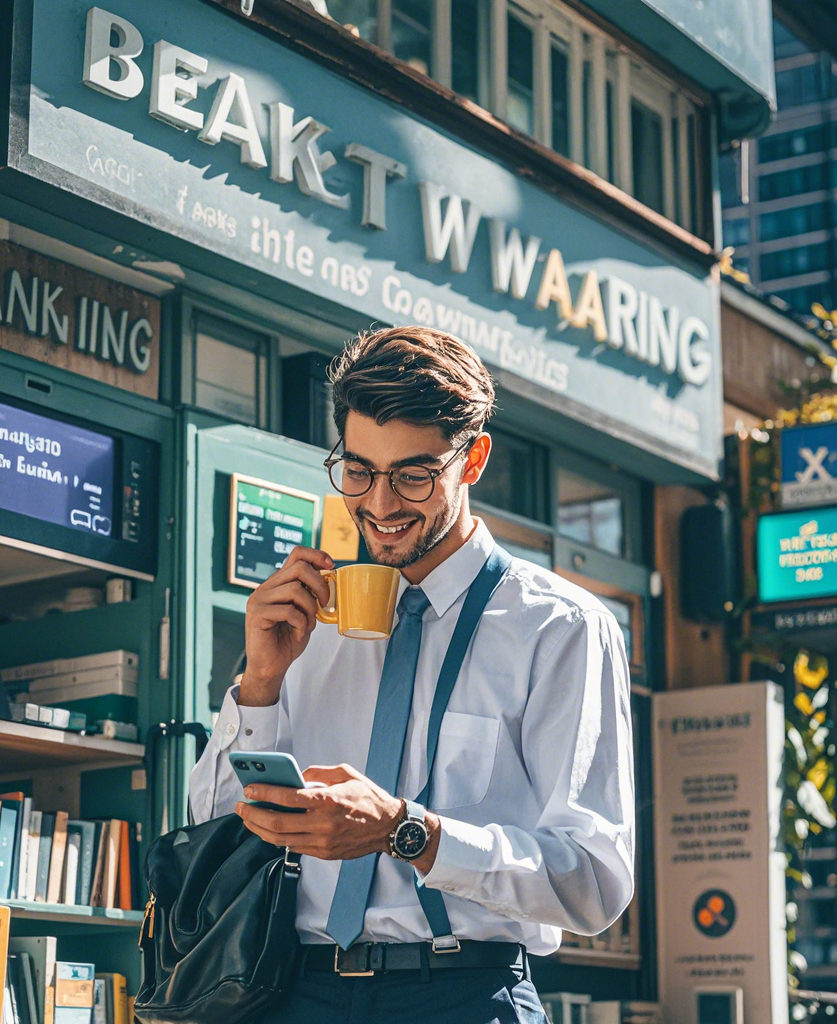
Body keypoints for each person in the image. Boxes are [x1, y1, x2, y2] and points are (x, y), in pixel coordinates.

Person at [188, 326, 635, 1024]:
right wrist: (261, 686)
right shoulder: (313, 620)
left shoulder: (561, 628)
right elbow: (211, 828)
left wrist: (408, 832)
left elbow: (592, 886)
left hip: (462, 995)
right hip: (290, 990)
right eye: (359, 471)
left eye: (415, 475)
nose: (381, 505)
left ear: (474, 458)